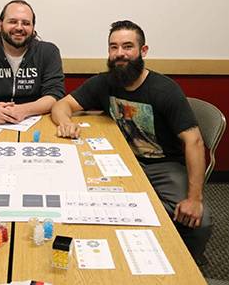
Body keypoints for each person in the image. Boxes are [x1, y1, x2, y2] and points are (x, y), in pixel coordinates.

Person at [51, 20, 212, 262]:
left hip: (163, 165)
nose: (120, 54)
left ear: (143, 51)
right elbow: (62, 105)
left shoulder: (164, 90)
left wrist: (195, 198)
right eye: (113, 47)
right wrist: (65, 121)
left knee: (200, 220)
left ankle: (187, 265)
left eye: (127, 46)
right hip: (119, 161)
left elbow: (195, 142)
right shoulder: (104, 82)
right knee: (80, 202)